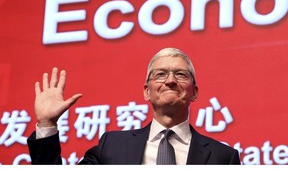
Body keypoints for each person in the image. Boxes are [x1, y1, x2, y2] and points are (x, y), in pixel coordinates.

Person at [27, 47, 241, 165]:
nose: (170, 80)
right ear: (146, 92)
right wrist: (46, 125)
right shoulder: (112, 146)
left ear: (194, 92)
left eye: (181, 74)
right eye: (160, 74)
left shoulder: (223, 157)